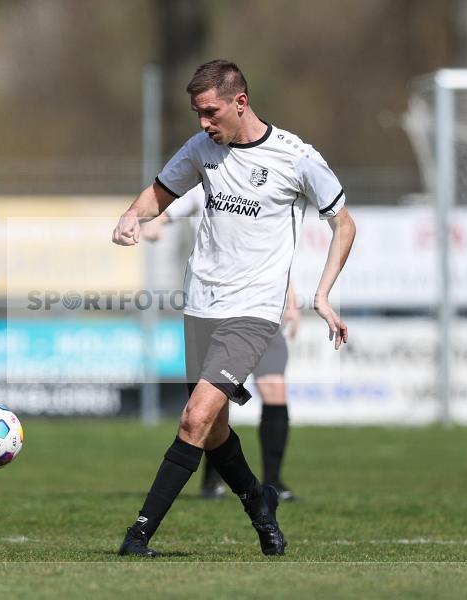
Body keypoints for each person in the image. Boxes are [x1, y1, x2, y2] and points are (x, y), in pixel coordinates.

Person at [112, 59, 356, 557]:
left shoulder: (296, 157)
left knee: (194, 418)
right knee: (215, 430)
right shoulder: (203, 149)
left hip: (253, 311)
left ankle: (137, 536)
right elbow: (158, 194)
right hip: (200, 304)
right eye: (198, 113)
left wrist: (322, 294)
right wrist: (131, 215)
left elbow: (344, 224)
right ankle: (260, 504)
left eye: (210, 112)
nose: (203, 122)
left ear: (239, 102)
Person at [142, 185, 301, 502]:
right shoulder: (205, 183)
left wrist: (291, 295)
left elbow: (271, 251)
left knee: (275, 389)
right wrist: (152, 221)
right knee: (214, 403)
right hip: (218, 312)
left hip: (262, 309)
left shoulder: (262, 185)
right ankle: (213, 480)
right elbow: (165, 208)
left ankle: (273, 483)